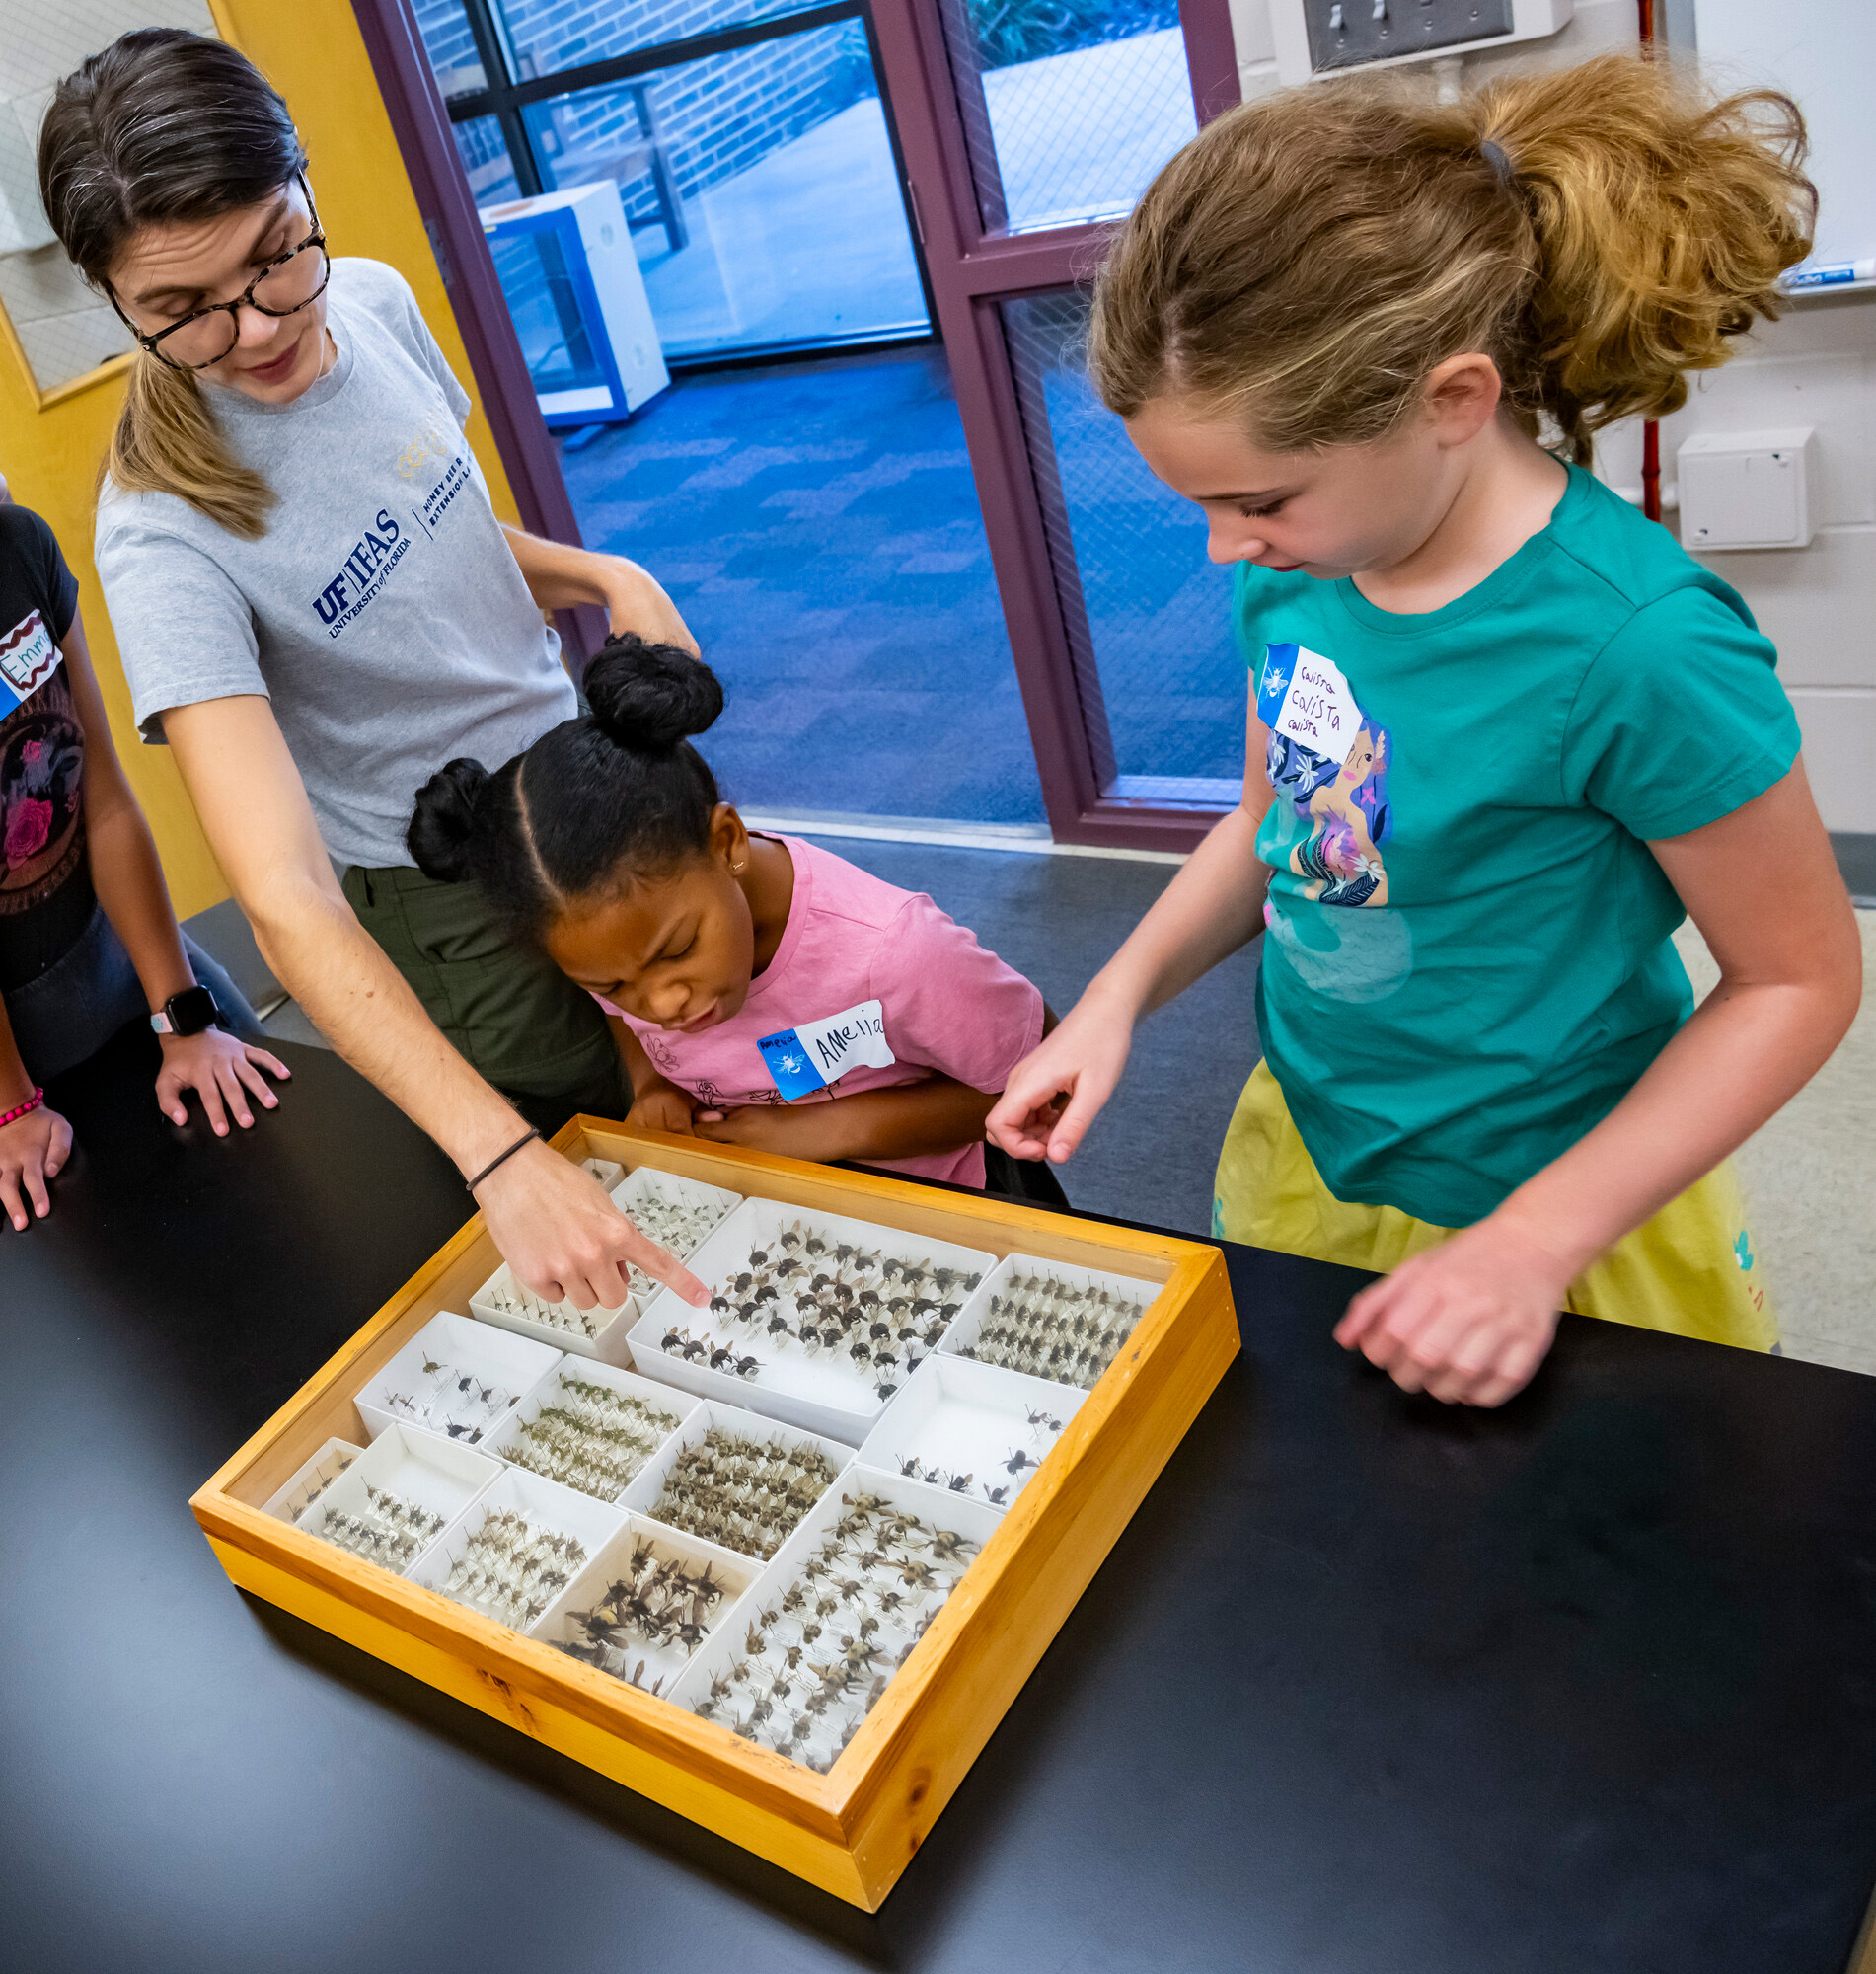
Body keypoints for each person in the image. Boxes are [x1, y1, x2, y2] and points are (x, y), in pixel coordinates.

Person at [987, 54, 1863, 1406]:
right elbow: (1273, 825)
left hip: (1560, 1195)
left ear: (1452, 401)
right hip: (1321, 1135)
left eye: (1257, 500)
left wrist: (1534, 1240)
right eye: (1201, 504)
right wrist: (1116, 998)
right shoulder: (1301, 567)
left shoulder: (1639, 645)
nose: (1224, 549)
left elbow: (1795, 982)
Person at [38, 29, 705, 1309]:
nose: (255, 329)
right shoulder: (162, 533)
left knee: (707, 1054)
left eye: (277, 254)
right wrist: (496, 1154)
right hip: (448, 890)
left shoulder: (378, 301)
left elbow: (444, 539)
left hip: (577, 781)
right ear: (114, 299)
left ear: (301, 187)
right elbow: (282, 893)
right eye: (183, 311)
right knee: (602, 1162)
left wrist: (603, 577)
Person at [407, 636, 1058, 1196]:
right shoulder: (614, 944)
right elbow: (623, 1016)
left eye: (676, 950)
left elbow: (1043, 1078)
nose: (661, 1004)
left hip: (947, 1201)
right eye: (613, 984)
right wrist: (652, 1086)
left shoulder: (895, 952)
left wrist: (825, 1130)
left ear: (727, 841)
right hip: (776, 1205)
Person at [0, 483, 285, 1232]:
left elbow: (106, 800)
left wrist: (181, 1017)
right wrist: (13, 1105)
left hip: (111, 956)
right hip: (13, 1062)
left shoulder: (21, 545)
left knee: (272, 1155)